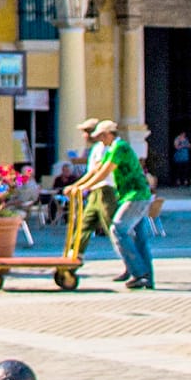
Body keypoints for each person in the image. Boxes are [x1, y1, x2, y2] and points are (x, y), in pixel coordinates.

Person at [72, 121, 153, 289]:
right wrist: (79, 186)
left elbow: (105, 172)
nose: (99, 140)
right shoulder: (111, 149)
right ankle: (146, 277)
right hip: (130, 196)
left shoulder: (119, 147)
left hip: (136, 195)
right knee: (139, 238)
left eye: (101, 136)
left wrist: (82, 188)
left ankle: (138, 273)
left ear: (109, 134)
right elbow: (97, 170)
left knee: (118, 229)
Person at [63, 118, 114, 261]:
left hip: (105, 190)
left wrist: (78, 186)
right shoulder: (96, 148)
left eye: (86, 132)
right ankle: (75, 255)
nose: (84, 136)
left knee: (114, 229)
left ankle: (133, 263)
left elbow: (96, 172)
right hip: (96, 190)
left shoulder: (103, 148)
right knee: (85, 223)